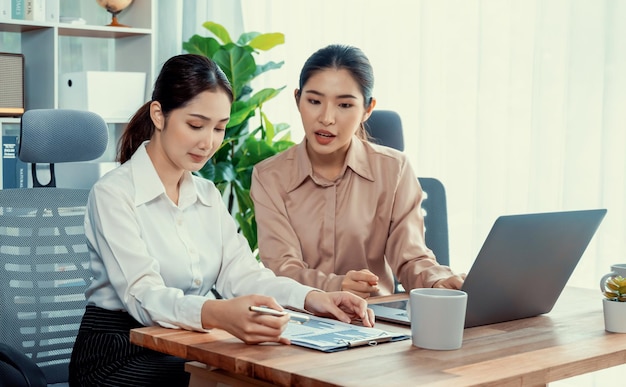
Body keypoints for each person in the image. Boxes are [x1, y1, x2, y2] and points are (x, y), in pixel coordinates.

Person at [68, 54, 373, 387]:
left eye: (219, 127)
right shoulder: (113, 194)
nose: (208, 142)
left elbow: (243, 275)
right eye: (196, 125)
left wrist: (314, 298)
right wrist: (217, 314)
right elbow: (144, 296)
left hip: (189, 343)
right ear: (159, 115)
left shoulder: (206, 194)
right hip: (118, 353)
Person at [250, 44, 465, 299]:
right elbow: (282, 270)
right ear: (298, 100)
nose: (327, 118)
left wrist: (438, 282)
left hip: (375, 321)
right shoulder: (269, 177)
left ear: (367, 109)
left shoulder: (394, 170)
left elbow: (411, 259)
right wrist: (337, 286)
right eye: (314, 101)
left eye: (344, 105)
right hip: (300, 320)